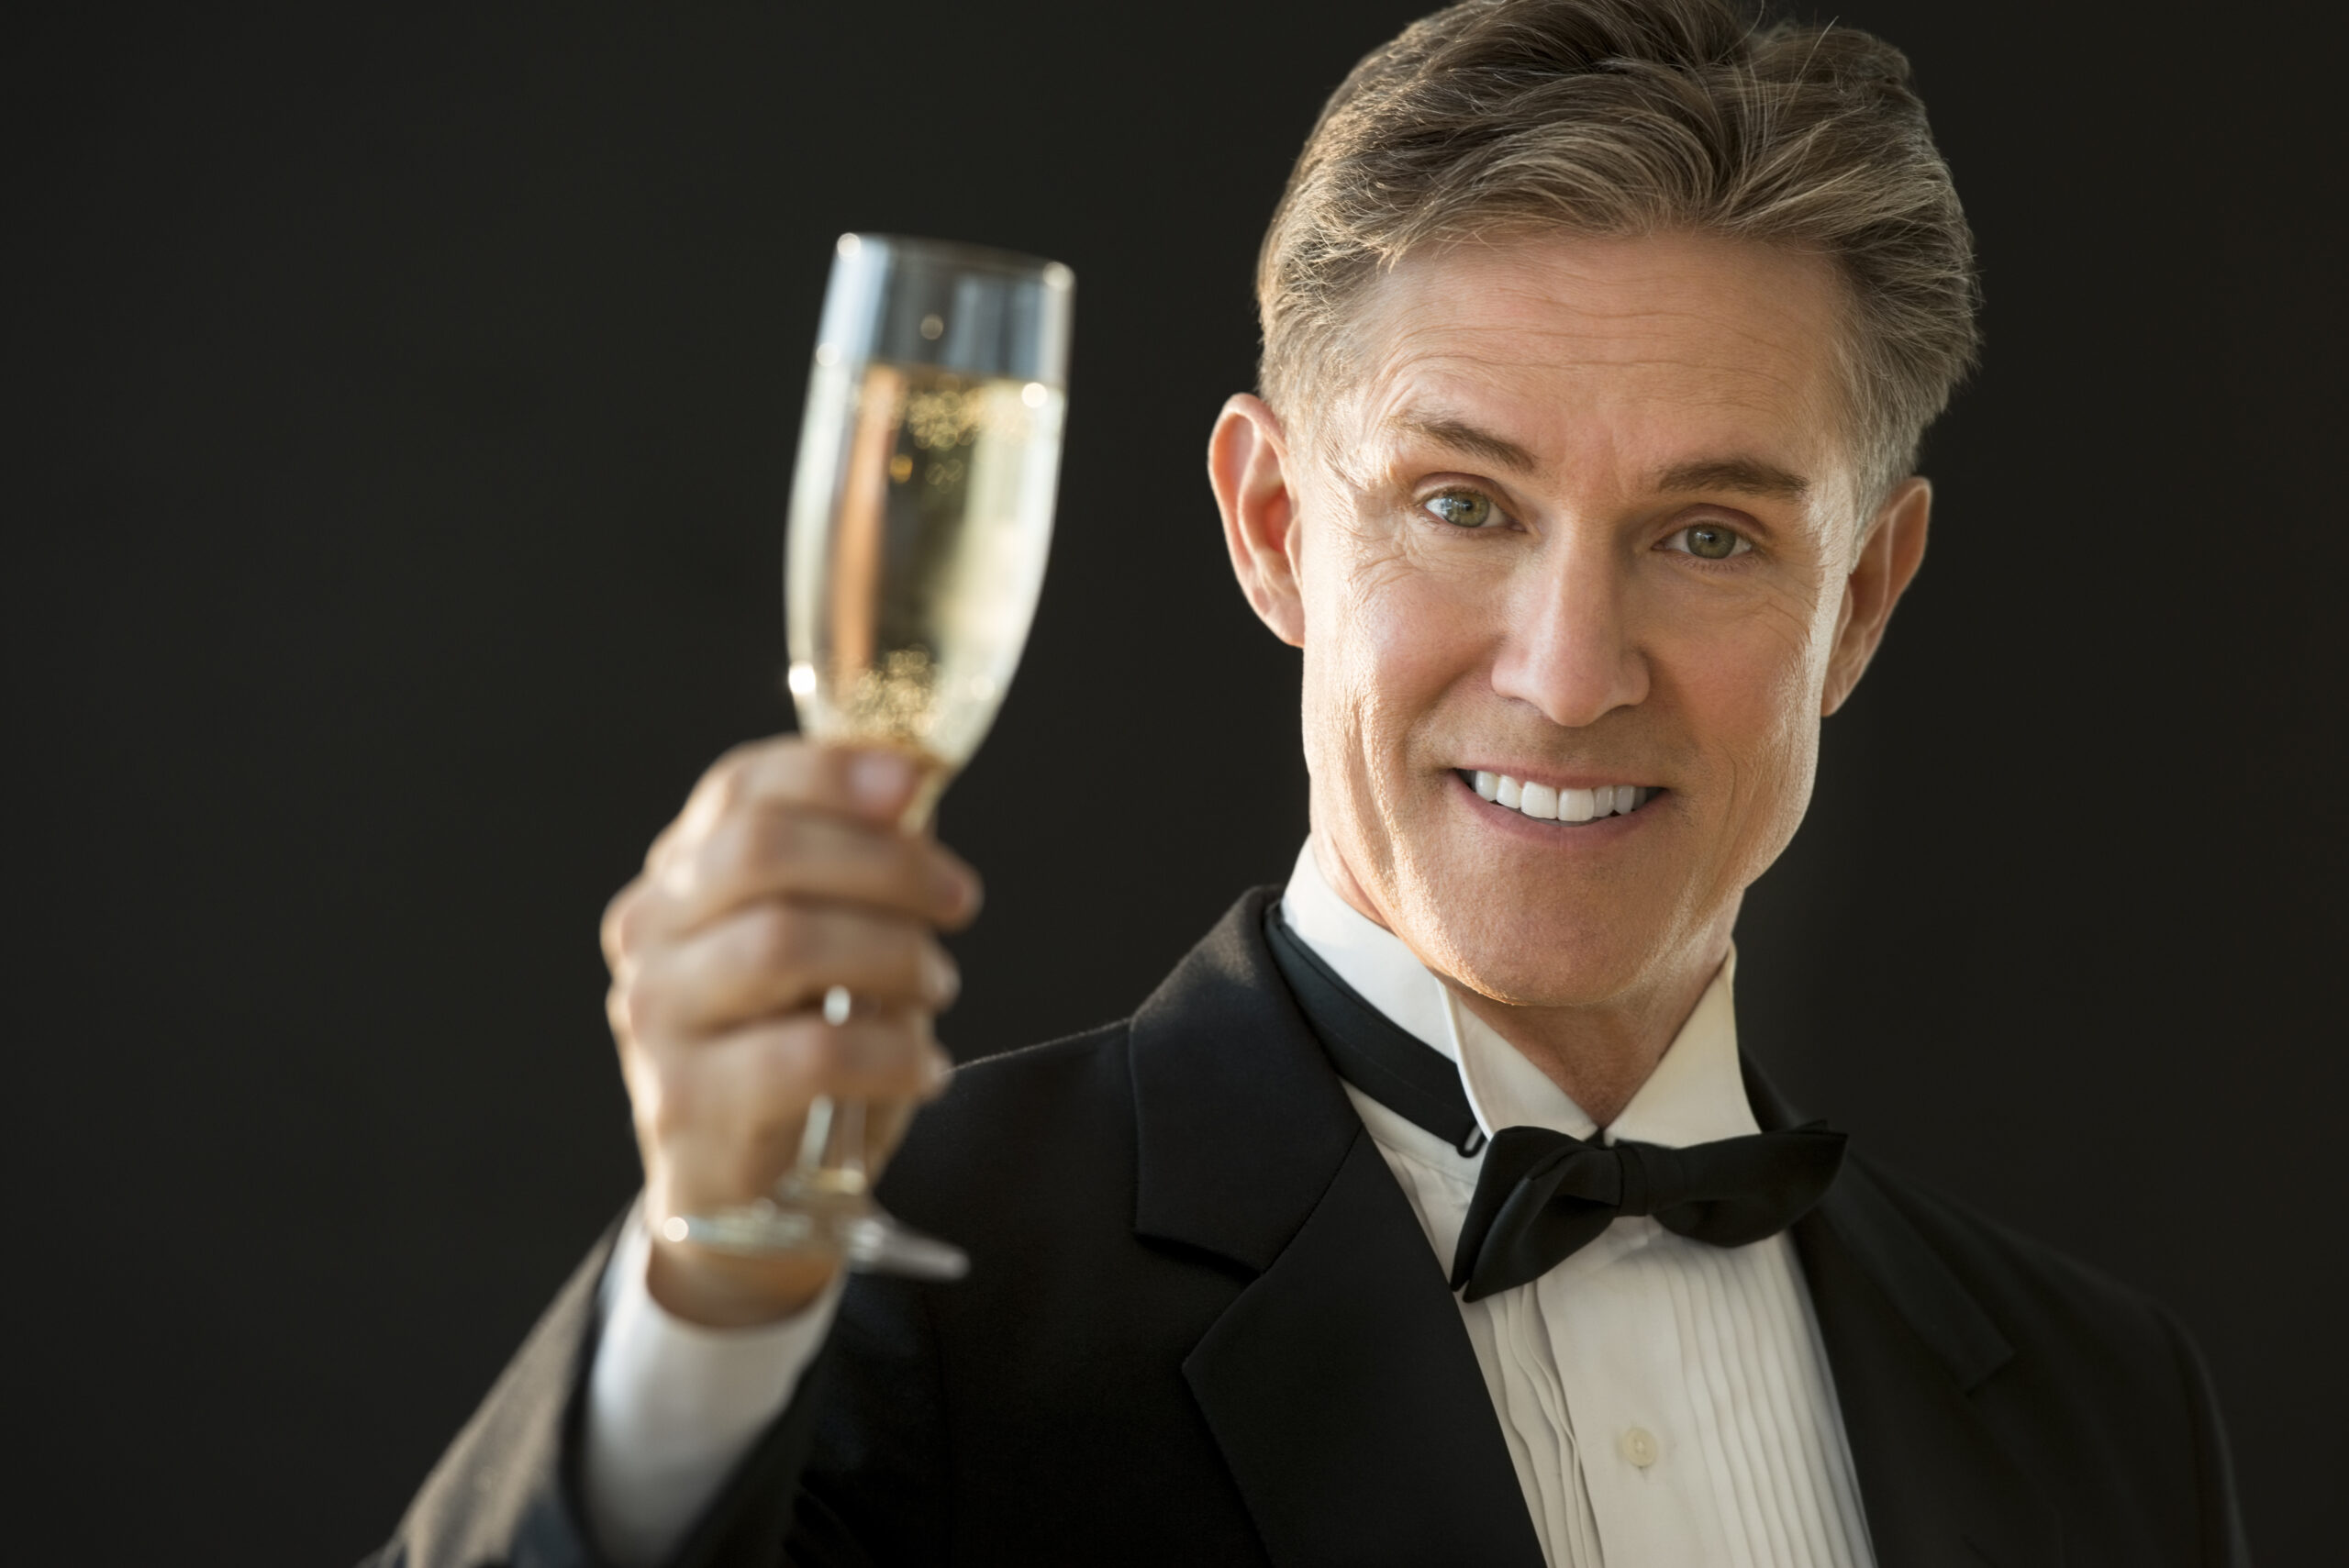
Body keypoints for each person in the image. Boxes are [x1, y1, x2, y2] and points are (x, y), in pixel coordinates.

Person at [373, 1, 2249, 1563]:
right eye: (1459, 505)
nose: (1566, 672)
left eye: (1705, 537)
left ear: (1859, 601)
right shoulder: (894, 1291)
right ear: (1272, 526)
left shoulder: (2106, 1412)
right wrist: (710, 1302)